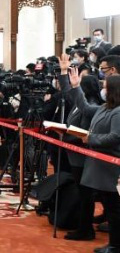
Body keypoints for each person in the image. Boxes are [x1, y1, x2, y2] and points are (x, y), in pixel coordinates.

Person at [57, 54, 99, 241]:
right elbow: (68, 92)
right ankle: (83, 226)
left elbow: (83, 132)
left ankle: (85, 229)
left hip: (82, 156)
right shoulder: (80, 102)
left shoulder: (91, 106)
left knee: (85, 194)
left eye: (80, 82)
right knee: (82, 192)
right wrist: (63, 71)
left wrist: (66, 135)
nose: (77, 84)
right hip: (74, 154)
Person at [81, 75, 120, 252]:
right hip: (100, 166)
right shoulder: (105, 107)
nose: (102, 89)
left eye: (105, 86)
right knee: (110, 206)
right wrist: (73, 86)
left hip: (111, 166)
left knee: (114, 208)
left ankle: (115, 245)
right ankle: (113, 243)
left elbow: (115, 137)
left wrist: (91, 138)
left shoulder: (118, 111)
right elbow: (85, 107)